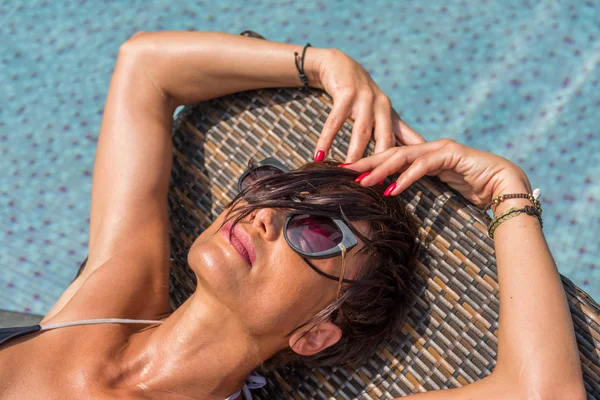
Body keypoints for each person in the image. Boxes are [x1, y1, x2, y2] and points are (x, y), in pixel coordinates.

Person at [0, 31, 585, 400]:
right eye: (270, 187)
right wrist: (323, 64)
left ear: (314, 333)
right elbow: (145, 69)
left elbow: (543, 392)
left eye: (316, 229)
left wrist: (506, 193)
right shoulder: (112, 302)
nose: (267, 215)